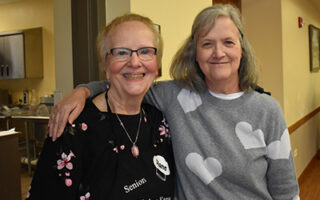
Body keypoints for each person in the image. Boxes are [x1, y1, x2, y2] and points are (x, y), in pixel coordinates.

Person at [49, 4, 300, 199]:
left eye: (228, 42)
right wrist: (82, 91)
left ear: (242, 50)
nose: (218, 52)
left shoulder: (267, 110)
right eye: (207, 44)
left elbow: (286, 190)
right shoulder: (175, 96)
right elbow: (129, 82)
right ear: (194, 53)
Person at [27, 13, 175, 200]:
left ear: (157, 64)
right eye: (121, 52)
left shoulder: (159, 121)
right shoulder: (73, 126)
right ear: (105, 65)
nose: (135, 62)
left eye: (145, 51)